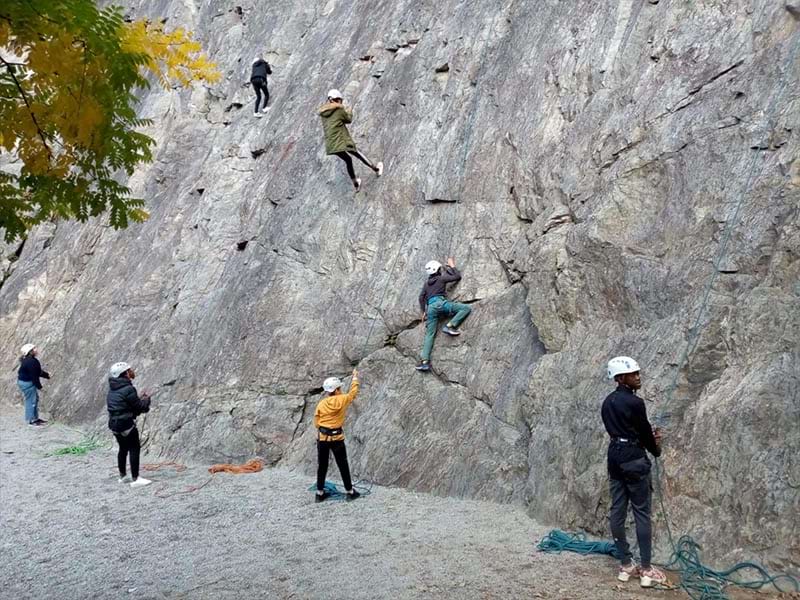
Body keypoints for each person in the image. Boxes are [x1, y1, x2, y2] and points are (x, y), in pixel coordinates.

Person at [601, 356, 667, 588]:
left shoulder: (607, 402)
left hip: (615, 458)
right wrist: (656, 448)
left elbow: (619, 429)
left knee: (617, 510)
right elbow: (644, 433)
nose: (638, 377)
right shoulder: (635, 403)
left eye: (638, 373)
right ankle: (646, 569)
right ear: (621, 378)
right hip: (634, 459)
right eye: (633, 374)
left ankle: (626, 563)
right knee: (641, 512)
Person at [318, 89, 383, 191]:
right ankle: (376, 169)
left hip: (331, 144)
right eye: (340, 100)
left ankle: (356, 184)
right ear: (337, 99)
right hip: (342, 140)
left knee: (348, 160)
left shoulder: (323, 113)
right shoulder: (339, 110)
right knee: (357, 153)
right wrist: (349, 110)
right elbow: (348, 119)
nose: (341, 102)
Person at [415, 258, 472, 372]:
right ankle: (450, 325)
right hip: (440, 303)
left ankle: (425, 362)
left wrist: (424, 311)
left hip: (430, 308)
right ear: (437, 270)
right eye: (440, 268)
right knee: (465, 308)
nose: (441, 270)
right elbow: (457, 277)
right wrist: (452, 266)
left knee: (429, 335)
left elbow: (421, 297)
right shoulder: (441, 278)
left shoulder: (426, 284)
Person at [314, 369, 361, 502]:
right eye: (339, 388)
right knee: (342, 464)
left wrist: (322, 429)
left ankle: (319, 493)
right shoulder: (343, 399)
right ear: (336, 389)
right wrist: (355, 377)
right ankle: (350, 491)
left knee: (322, 465)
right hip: (337, 438)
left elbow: (316, 421)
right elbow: (353, 392)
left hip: (323, 437)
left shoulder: (321, 403)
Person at [106, 362, 152, 488]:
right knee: (134, 448)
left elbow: (126, 405)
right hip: (126, 424)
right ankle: (136, 478)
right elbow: (140, 407)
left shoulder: (112, 389)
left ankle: (123, 476)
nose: (131, 371)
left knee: (123, 449)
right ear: (125, 373)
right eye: (129, 370)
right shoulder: (128, 389)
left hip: (114, 424)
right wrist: (147, 399)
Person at [17, 343, 50, 426]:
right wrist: (40, 387)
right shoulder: (31, 362)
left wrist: (47, 375)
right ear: (30, 352)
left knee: (33, 399)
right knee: (31, 401)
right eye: (34, 349)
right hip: (27, 383)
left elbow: (37, 372)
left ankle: (35, 418)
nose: (36, 350)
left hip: (25, 382)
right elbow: (34, 376)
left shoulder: (30, 360)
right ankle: (31, 420)